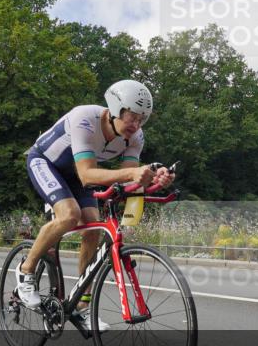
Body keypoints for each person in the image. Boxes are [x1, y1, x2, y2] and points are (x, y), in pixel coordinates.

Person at [17, 80, 175, 332]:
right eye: (132, 117)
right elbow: (88, 175)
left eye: (141, 119)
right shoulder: (85, 119)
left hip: (79, 174)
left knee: (94, 228)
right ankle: (26, 270)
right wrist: (134, 174)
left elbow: (128, 180)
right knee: (69, 215)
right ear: (115, 109)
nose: (136, 125)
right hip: (46, 163)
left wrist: (154, 178)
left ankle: (81, 305)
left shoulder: (135, 137)